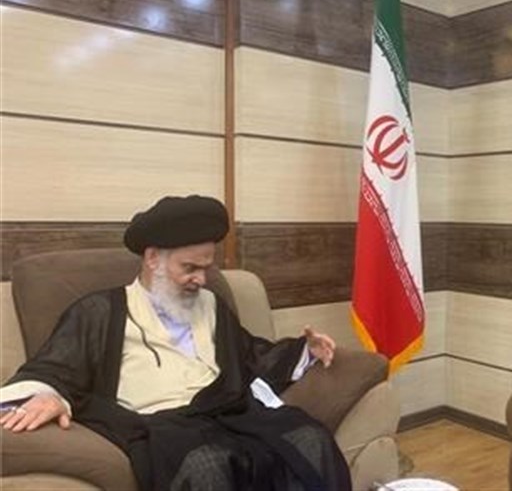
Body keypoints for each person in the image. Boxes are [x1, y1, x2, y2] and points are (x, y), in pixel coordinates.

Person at [0, 195, 351, 490]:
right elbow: (53, 367)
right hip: (161, 424)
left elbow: (249, 354)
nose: (201, 279)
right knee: (206, 463)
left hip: (227, 412)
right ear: (153, 258)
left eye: (206, 268)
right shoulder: (101, 310)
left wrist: (304, 351)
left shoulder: (211, 304)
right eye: (189, 268)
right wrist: (48, 395)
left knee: (310, 437)